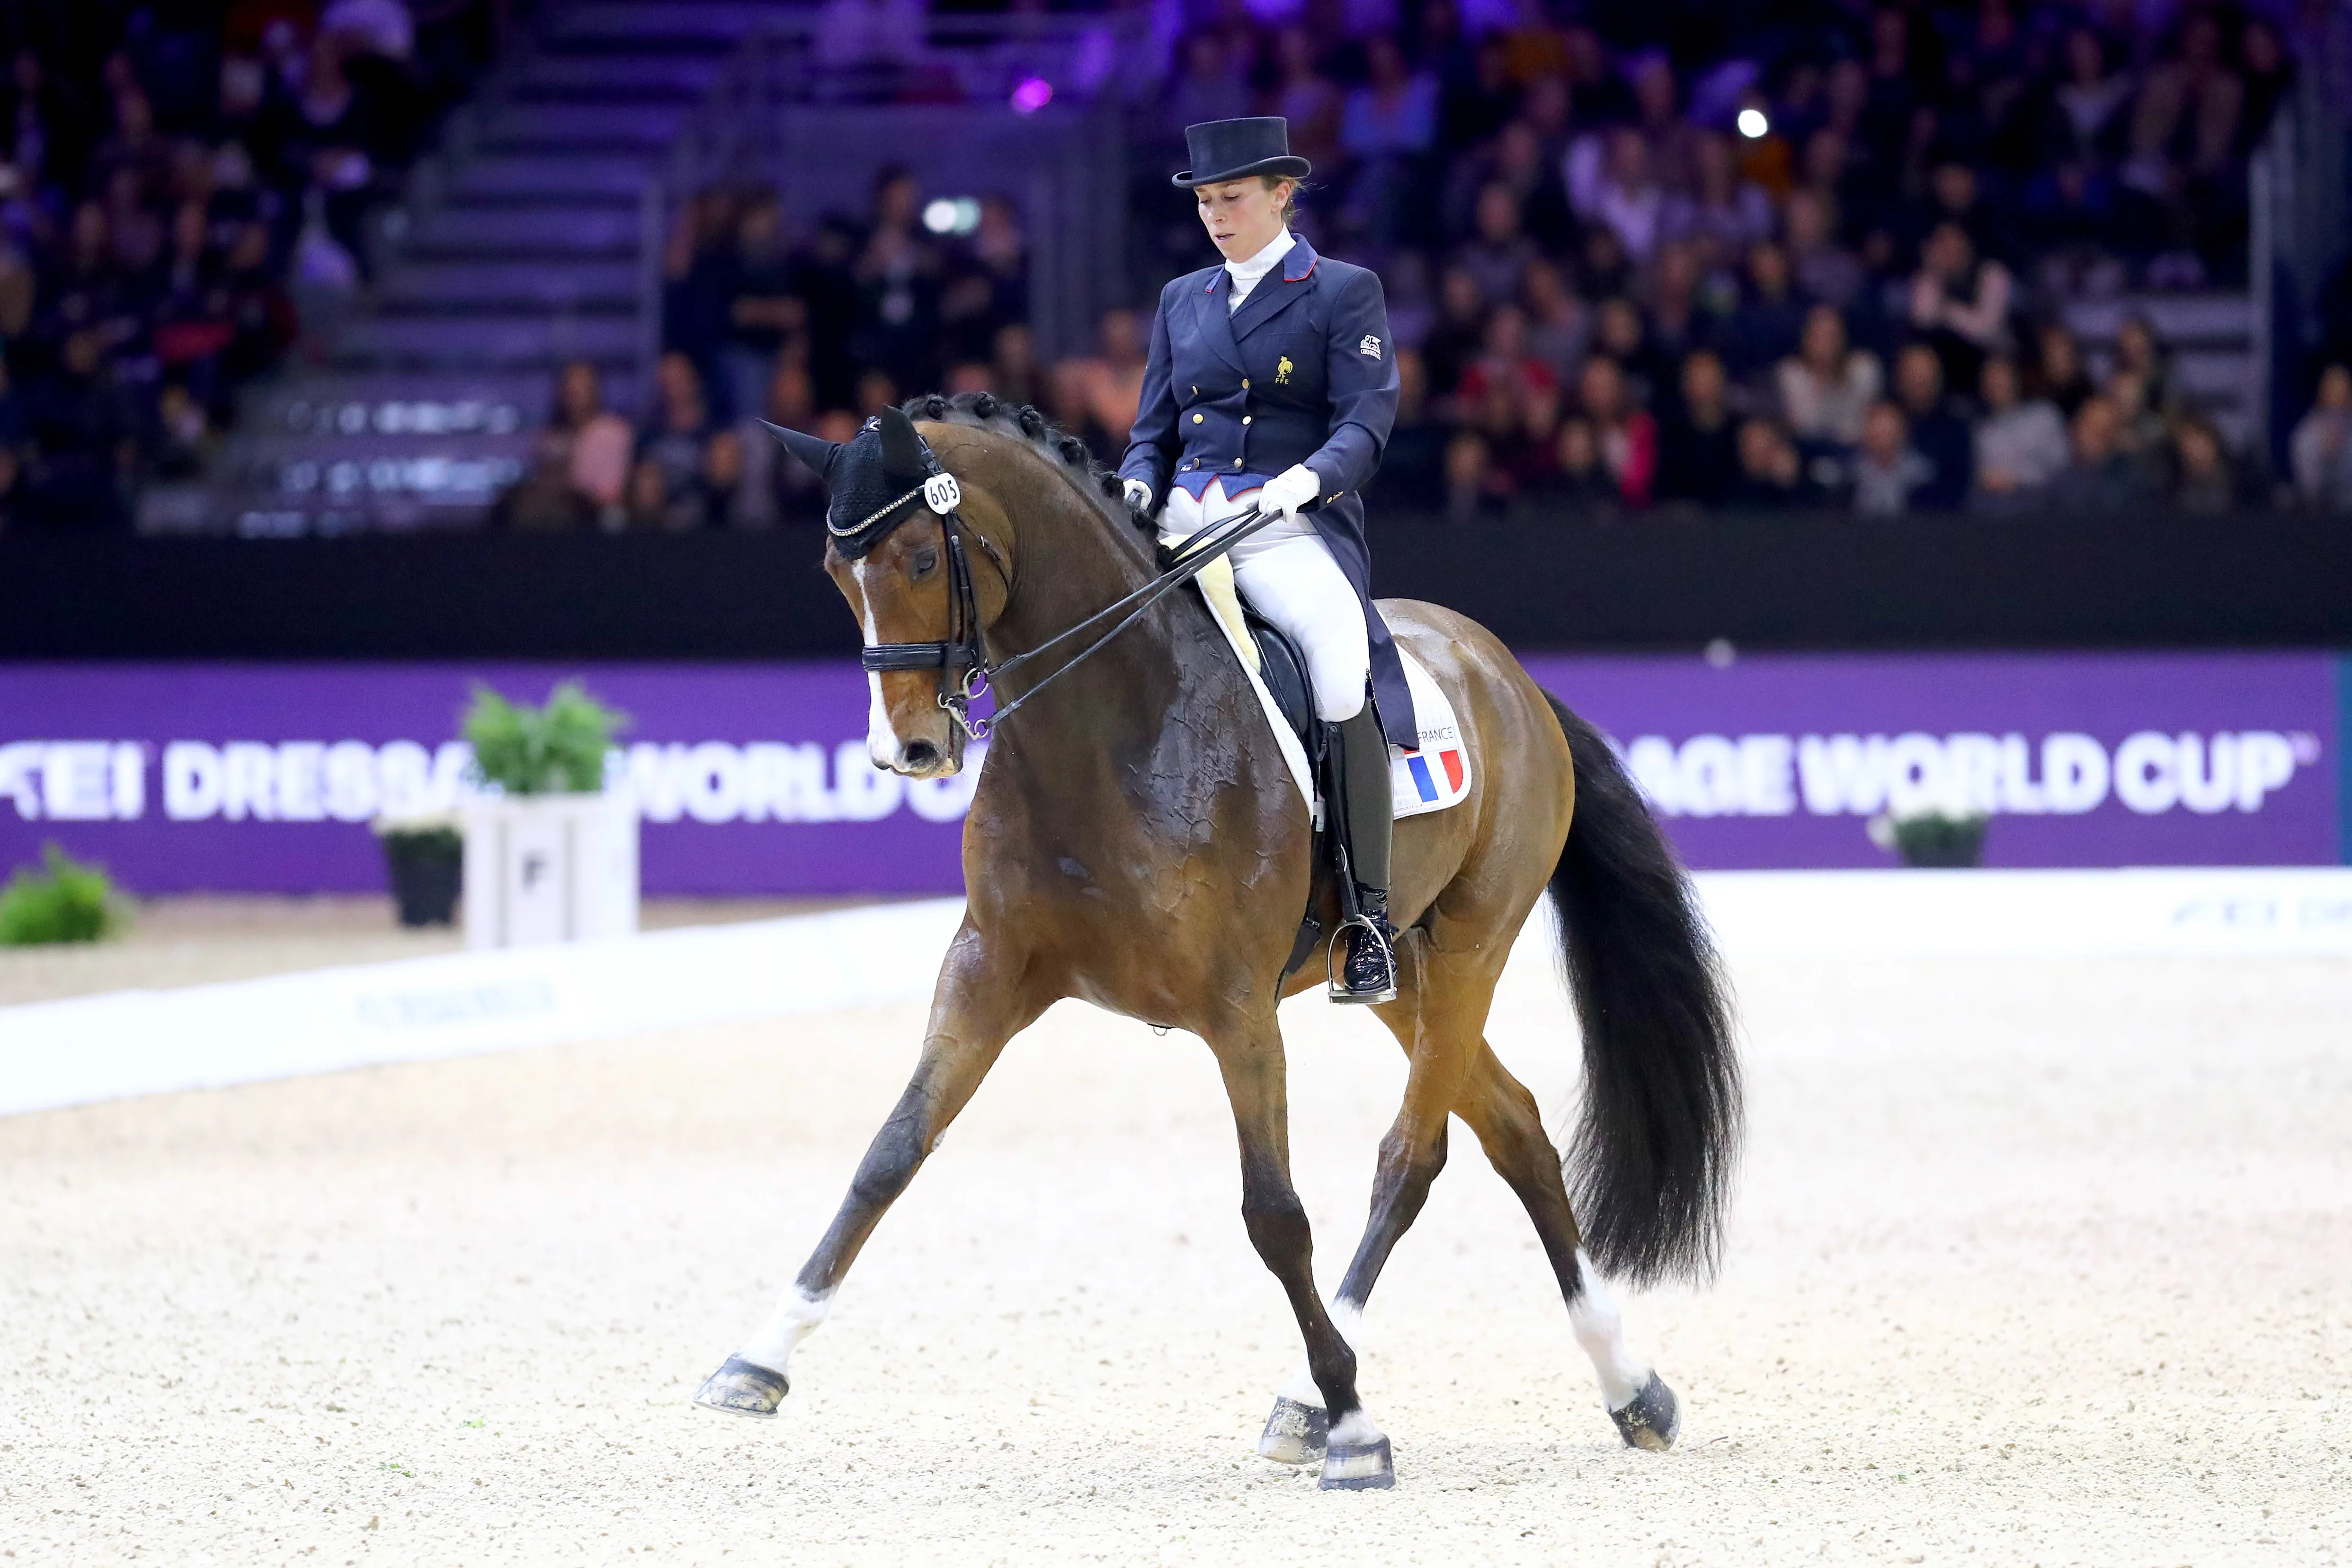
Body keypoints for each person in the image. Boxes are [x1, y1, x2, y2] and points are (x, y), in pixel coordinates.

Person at [1121, 116, 1411, 1004]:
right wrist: (1136, 484)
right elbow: (1153, 431)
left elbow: (1366, 420)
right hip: (1184, 522)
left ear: (1282, 195)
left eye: (1232, 199)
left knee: (1337, 669)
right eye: (1206, 202)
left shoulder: (1342, 291)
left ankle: (1366, 916)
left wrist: (1304, 483)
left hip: (1284, 525)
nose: (1215, 216)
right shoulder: (1183, 299)